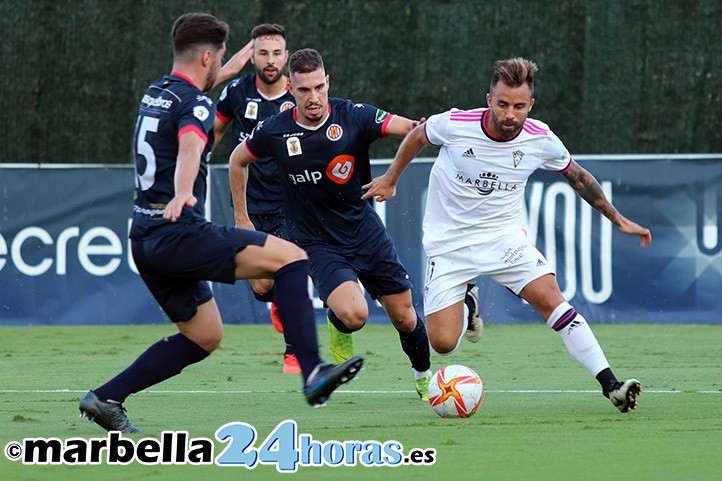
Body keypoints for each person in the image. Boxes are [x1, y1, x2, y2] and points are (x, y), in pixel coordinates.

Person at [78, 14, 363, 434]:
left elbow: (202, 88)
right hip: (178, 230)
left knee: (205, 335)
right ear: (208, 56)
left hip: (144, 236)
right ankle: (311, 372)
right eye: (224, 57)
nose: (228, 63)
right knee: (291, 259)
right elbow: (193, 141)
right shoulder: (193, 105)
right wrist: (181, 190)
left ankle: (105, 398)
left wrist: (233, 65)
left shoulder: (158, 92)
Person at [362, 57, 651, 413]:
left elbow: (578, 176)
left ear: (531, 104)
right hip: (448, 245)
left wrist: (617, 218)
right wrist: (391, 178)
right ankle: (469, 301)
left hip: (503, 239)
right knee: (443, 344)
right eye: (502, 104)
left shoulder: (540, 139)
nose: (510, 114)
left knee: (552, 300)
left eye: (518, 106)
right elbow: (418, 136)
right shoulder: (455, 124)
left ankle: (611, 385)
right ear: (489, 100)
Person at [229, 48, 433, 400]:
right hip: (316, 241)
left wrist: (397, 170)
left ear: (328, 83)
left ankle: (425, 377)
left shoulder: (353, 115)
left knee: (405, 317)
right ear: (290, 88)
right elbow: (237, 160)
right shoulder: (275, 130)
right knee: (356, 315)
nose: (313, 97)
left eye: (319, 88)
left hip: (365, 232)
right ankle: (338, 322)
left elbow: (412, 131)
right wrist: (242, 219)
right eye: (304, 90)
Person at [213, 23, 305, 374]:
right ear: (251, 55)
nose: (270, 60)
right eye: (263, 52)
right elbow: (214, 135)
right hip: (250, 205)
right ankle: (277, 304)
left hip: (292, 203)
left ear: (286, 56)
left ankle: (293, 354)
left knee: (286, 271)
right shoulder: (236, 92)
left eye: (277, 53)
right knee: (262, 288)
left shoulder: (298, 95)